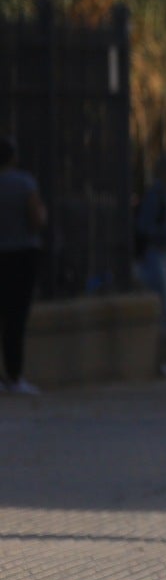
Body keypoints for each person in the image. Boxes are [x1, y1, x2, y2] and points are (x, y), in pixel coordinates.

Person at [0, 135, 48, 395]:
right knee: (15, 317)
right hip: (21, 255)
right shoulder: (23, 183)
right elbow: (36, 218)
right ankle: (14, 374)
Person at [135, 153, 166, 375]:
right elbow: (145, 227)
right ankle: (159, 361)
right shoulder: (156, 195)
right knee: (163, 307)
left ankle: (165, 359)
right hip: (157, 255)